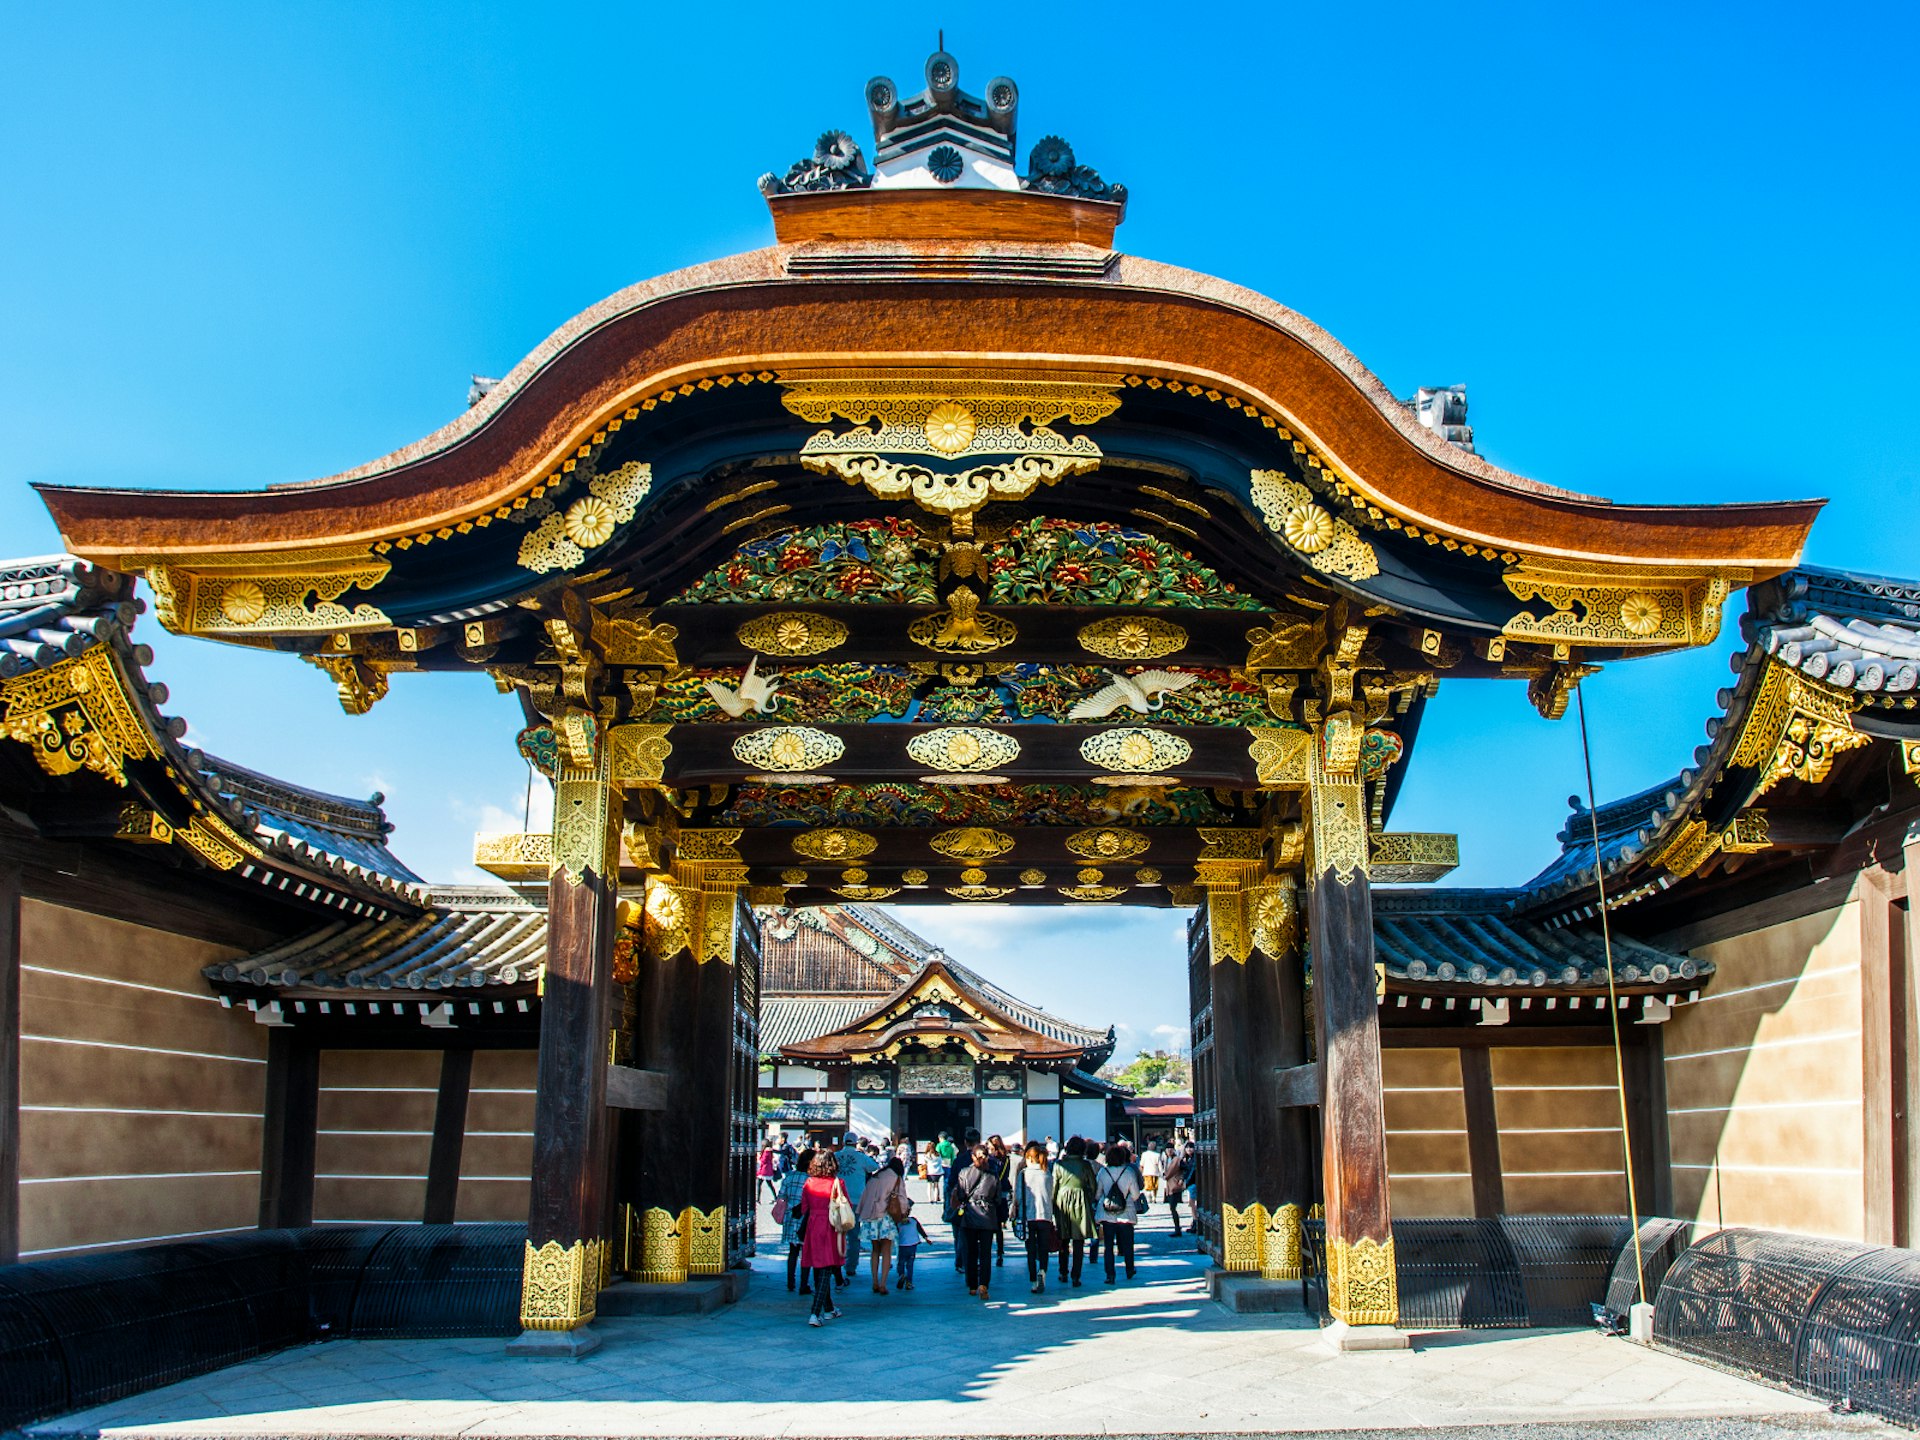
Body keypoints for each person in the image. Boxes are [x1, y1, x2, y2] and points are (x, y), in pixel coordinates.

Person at [798, 1150, 848, 1327]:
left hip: (813, 1226)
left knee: (818, 1268)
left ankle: (828, 1308)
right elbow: (846, 1206)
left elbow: (804, 1207)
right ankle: (815, 1312)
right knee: (826, 1269)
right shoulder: (837, 1183)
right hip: (830, 1227)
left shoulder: (809, 1183)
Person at [949, 1142, 1002, 1300]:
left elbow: (960, 1195)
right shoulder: (993, 1174)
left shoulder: (964, 1173)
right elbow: (998, 1198)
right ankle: (983, 1284)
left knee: (970, 1252)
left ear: (973, 1156)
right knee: (985, 1253)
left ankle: (972, 1285)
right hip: (988, 1216)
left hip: (970, 1215)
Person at [834, 1131, 880, 1285]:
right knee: (854, 1236)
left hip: (838, 1199)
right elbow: (874, 1166)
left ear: (843, 1141)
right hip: (856, 1199)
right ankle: (851, 1266)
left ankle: (835, 1263)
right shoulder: (861, 1157)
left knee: (837, 1234)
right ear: (855, 1143)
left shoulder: (836, 1156)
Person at [1095, 1141, 1145, 1283]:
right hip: (1126, 1213)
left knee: (1108, 1246)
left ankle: (1110, 1274)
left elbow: (1098, 1194)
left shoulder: (1103, 1172)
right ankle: (1129, 1269)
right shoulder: (1128, 1172)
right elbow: (1135, 1195)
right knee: (1128, 1244)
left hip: (1107, 1213)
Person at [1011, 1140, 1056, 1294]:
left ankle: (1033, 1281)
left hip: (1028, 1215)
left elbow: (1017, 1196)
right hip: (1045, 1215)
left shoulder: (1024, 1174)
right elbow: (1052, 1194)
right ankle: (1042, 1271)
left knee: (1030, 1249)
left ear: (1029, 1158)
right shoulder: (1047, 1174)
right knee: (1044, 1248)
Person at [1050, 1136, 1095, 1287]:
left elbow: (1054, 1186)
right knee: (1078, 1240)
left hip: (1062, 1200)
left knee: (1063, 1238)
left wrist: (1053, 1204)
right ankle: (1076, 1275)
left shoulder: (1059, 1164)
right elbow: (1093, 1186)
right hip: (1081, 1199)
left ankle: (1063, 1271)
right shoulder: (1085, 1165)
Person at [855, 1155, 904, 1293]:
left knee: (875, 1250)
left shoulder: (875, 1177)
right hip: (886, 1217)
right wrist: (904, 1214)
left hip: (871, 1217)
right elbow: (902, 1199)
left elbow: (864, 1197)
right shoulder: (896, 1178)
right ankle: (883, 1284)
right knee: (887, 1250)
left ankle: (875, 1281)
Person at [780, 1145, 817, 1293]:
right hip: (806, 1218)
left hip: (791, 1217)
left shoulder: (789, 1177)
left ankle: (790, 1282)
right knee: (806, 1253)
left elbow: (781, 1196)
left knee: (793, 1252)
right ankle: (804, 1284)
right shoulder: (812, 1180)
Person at [946, 1127, 981, 1272]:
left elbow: (951, 1182)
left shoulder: (959, 1160)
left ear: (965, 1142)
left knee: (960, 1233)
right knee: (977, 1234)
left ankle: (960, 1261)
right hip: (979, 1203)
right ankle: (975, 1260)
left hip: (961, 1202)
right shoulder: (986, 1161)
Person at [984, 1133, 1013, 1267]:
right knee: (999, 1225)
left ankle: (987, 1250)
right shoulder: (1006, 1158)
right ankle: (1000, 1251)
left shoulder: (990, 1159)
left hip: (991, 1191)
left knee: (989, 1222)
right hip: (1003, 1190)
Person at [894, 1201, 926, 1290]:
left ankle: (901, 1275)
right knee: (910, 1264)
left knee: (901, 1262)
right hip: (912, 1245)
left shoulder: (897, 1223)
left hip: (902, 1245)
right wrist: (926, 1237)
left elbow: (894, 1233)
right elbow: (920, 1229)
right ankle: (909, 1282)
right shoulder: (913, 1220)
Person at [1162, 1143, 1189, 1238]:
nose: (1169, 1150)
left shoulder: (1177, 1160)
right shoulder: (1165, 1160)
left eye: (1170, 1149)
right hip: (1169, 1186)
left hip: (1175, 1185)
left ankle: (1177, 1229)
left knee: (1173, 1207)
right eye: (1167, 1149)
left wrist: (1182, 1178)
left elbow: (1186, 1169)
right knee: (1172, 1208)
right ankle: (1177, 1228)